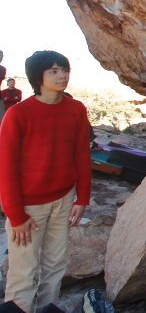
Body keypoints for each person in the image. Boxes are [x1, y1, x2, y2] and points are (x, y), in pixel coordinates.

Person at [0, 51, 92, 313]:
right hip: (29, 207)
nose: (62, 75)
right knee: (23, 271)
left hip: (63, 200)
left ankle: (48, 308)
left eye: (64, 69)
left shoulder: (75, 109)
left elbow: (81, 155)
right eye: (53, 70)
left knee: (56, 264)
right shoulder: (18, 114)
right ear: (37, 77)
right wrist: (16, 215)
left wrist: (82, 198)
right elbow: (6, 168)